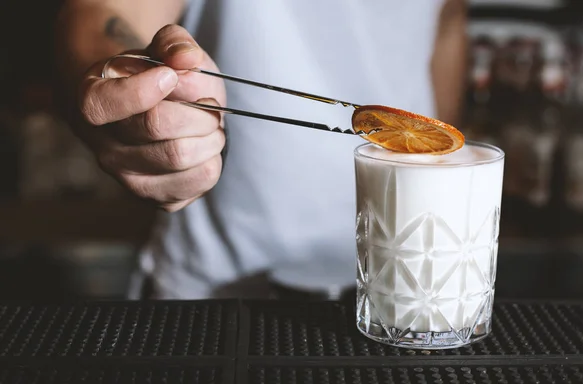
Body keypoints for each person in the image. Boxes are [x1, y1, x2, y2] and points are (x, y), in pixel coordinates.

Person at [54, 0, 467, 300]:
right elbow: (104, 10)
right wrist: (122, 83)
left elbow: (446, 20)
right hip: (216, 290)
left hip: (406, 283)